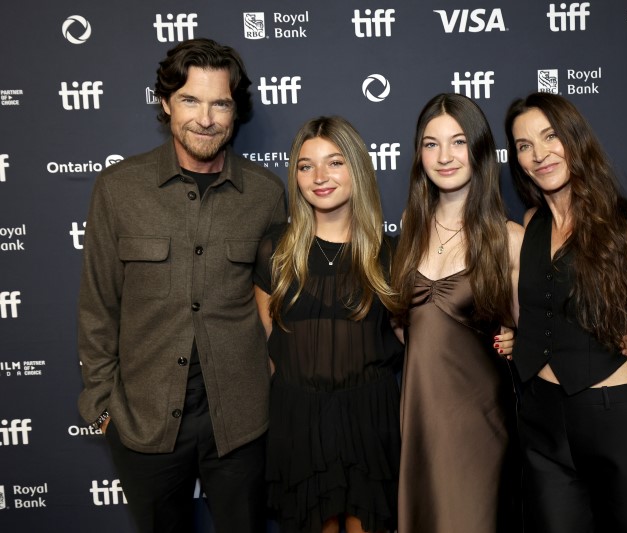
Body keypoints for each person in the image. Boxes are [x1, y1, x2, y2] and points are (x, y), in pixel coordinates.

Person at [77, 38, 286, 533]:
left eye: (220, 103)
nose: (206, 118)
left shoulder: (266, 194)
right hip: (143, 420)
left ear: (236, 111)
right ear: (166, 103)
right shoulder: (118, 188)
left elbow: (278, 308)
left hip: (241, 421)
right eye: (191, 100)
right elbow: (98, 307)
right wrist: (104, 408)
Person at [505, 91, 627, 532]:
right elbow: (533, 315)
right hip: (542, 423)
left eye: (550, 137)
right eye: (524, 145)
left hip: (616, 420)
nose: (539, 154)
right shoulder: (530, 225)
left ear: (575, 139)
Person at [252, 116, 404, 533]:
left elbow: (416, 339)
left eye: (334, 163)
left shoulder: (391, 254)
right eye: (306, 166)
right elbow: (268, 347)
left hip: (370, 417)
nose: (319, 177)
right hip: (297, 418)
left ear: (356, 168)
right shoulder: (274, 251)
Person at [391, 93, 525, 533]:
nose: (444, 156)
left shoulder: (508, 237)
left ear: (480, 150)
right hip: (420, 421)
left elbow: (539, 332)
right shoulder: (410, 228)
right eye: (431, 144)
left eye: (458, 142)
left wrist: (516, 338)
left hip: (482, 424)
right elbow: (404, 325)